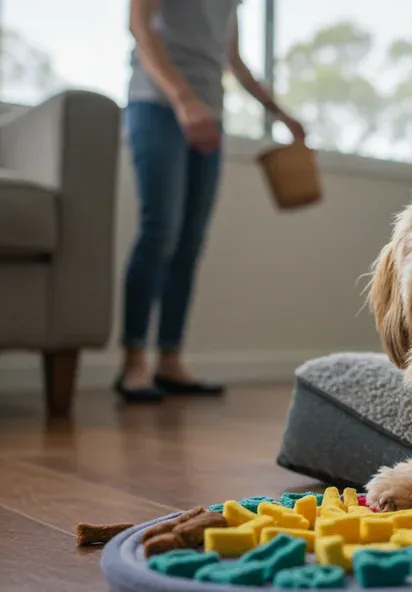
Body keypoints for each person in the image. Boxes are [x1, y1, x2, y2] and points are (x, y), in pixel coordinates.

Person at [117, 0, 305, 403]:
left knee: (189, 242)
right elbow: (140, 26)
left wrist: (279, 113)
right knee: (159, 231)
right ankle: (134, 359)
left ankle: (169, 359)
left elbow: (232, 59)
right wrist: (183, 99)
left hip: (208, 113)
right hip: (157, 104)